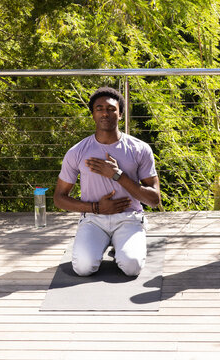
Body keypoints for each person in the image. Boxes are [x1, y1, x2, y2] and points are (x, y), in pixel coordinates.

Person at [54, 86, 161, 277]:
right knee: (83, 268)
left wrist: (118, 175)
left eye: (112, 109)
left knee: (132, 267)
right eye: (99, 108)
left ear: (120, 114)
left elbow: (154, 199)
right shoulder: (77, 151)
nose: (105, 113)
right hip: (94, 220)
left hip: (129, 218)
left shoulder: (140, 149)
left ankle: (123, 244)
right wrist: (96, 208)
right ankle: (104, 243)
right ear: (93, 115)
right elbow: (59, 198)